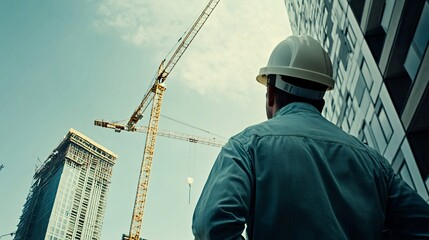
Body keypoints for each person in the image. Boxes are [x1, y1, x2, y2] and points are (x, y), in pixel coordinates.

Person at [192, 35, 429, 239]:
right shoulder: (374, 163)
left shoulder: (246, 145)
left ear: (271, 94)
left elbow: (212, 227)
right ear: (322, 102)